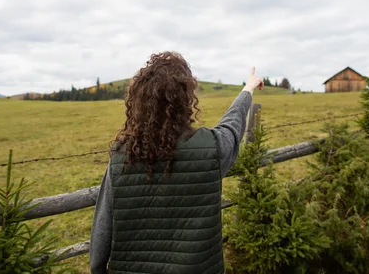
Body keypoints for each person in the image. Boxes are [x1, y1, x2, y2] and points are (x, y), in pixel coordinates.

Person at [90, 51, 263, 274]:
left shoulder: (121, 156)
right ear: (185, 100)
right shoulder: (212, 149)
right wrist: (247, 89)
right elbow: (232, 126)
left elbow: (102, 234)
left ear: (140, 101)